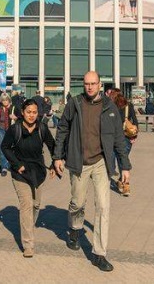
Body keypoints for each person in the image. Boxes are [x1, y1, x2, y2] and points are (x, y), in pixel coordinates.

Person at [53, 71, 131, 273]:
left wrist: (124, 166)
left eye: (93, 83)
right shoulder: (75, 104)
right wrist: (57, 156)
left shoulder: (109, 107)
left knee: (103, 207)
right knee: (77, 203)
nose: (89, 87)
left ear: (100, 84)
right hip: (79, 162)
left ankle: (99, 253)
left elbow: (118, 139)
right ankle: (75, 229)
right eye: (86, 83)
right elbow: (62, 129)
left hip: (100, 164)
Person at [0, 99, 56, 258]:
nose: (31, 115)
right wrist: (17, 164)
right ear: (22, 112)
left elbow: (53, 146)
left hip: (37, 172)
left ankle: (28, 226)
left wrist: (54, 164)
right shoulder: (15, 129)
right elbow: (5, 147)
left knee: (36, 205)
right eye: (28, 112)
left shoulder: (42, 129)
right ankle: (28, 244)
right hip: (20, 173)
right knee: (26, 204)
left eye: (34, 112)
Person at [107, 88, 137, 196]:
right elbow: (135, 121)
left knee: (116, 160)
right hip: (127, 138)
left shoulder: (110, 106)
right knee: (122, 160)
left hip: (113, 138)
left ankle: (124, 183)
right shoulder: (129, 105)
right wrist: (134, 135)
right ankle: (124, 183)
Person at [0, 93, 14, 176]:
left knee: (11, 148)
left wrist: (15, 117)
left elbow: (20, 117)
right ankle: (4, 167)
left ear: (9, 100)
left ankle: (11, 164)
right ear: (1, 101)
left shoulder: (13, 108)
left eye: (6, 99)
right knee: (1, 148)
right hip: (1, 130)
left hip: (11, 130)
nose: (5, 101)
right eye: (3, 100)